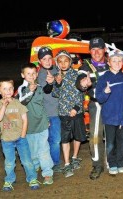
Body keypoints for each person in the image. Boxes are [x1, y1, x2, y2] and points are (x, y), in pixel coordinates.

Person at [0, 77, 40, 191]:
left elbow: (25, 119)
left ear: (13, 89)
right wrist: (4, 105)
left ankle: (32, 178)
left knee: (27, 161)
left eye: (10, 88)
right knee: (9, 162)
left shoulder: (18, 103)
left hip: (20, 138)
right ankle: (9, 180)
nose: (8, 91)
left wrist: (23, 135)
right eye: (4, 89)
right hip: (6, 139)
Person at [95, 50, 123, 175]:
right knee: (110, 143)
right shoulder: (103, 78)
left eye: (119, 60)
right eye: (114, 60)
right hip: (109, 118)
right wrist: (105, 92)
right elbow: (99, 98)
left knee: (122, 142)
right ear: (109, 62)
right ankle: (112, 163)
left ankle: (121, 162)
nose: (117, 63)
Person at [16, 63, 54, 185]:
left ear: (37, 74)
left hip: (42, 123)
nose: (31, 76)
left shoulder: (39, 86)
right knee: (32, 151)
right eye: (28, 74)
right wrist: (30, 92)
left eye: (33, 73)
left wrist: (50, 83)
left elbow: (44, 100)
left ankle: (47, 173)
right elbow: (22, 102)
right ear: (23, 75)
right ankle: (36, 166)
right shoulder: (21, 89)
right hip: (27, 127)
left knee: (44, 150)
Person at [76, 37, 109, 180]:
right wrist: (83, 84)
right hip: (96, 104)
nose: (96, 52)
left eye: (99, 49)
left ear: (104, 49)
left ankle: (113, 161)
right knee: (95, 137)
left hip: (113, 104)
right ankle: (97, 165)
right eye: (93, 49)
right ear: (89, 51)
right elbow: (80, 82)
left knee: (114, 134)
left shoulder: (112, 62)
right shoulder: (85, 67)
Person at [52, 50, 87, 178]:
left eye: (66, 61)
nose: (63, 64)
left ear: (70, 62)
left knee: (78, 136)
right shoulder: (57, 76)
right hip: (63, 113)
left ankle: (74, 157)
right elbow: (55, 94)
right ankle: (67, 164)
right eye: (60, 61)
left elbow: (81, 93)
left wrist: (76, 108)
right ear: (57, 63)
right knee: (65, 138)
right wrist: (58, 83)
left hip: (76, 111)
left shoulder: (77, 75)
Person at [37, 46, 62, 173]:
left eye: (49, 58)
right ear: (40, 61)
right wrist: (51, 83)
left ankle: (54, 161)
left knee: (57, 139)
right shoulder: (39, 74)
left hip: (60, 111)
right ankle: (53, 163)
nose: (47, 61)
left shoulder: (57, 69)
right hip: (48, 113)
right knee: (53, 140)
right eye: (44, 59)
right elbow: (46, 90)